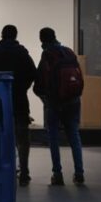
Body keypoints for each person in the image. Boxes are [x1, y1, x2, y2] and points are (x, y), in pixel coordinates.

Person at [0, 25, 36, 186]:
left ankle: (2, 170)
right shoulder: (22, 53)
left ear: (2, 35)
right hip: (19, 100)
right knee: (22, 138)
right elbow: (33, 73)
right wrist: (22, 87)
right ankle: (24, 172)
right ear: (15, 35)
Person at [33, 27, 85, 186]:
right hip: (73, 101)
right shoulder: (68, 52)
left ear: (42, 40)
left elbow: (39, 82)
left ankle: (58, 174)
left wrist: (43, 97)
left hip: (54, 103)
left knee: (53, 138)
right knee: (74, 137)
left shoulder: (47, 55)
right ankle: (79, 173)